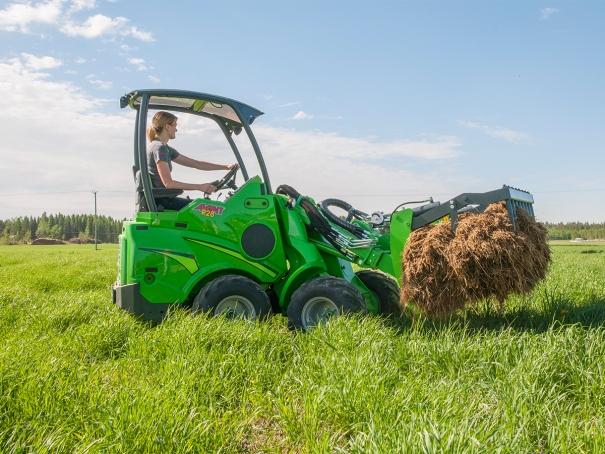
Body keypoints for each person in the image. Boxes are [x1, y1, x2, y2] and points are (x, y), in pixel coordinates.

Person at [146, 111, 237, 210]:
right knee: (210, 209)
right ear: (167, 126)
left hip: (166, 199)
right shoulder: (159, 148)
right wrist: (199, 187)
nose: (176, 129)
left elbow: (197, 164)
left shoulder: (166, 149)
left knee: (209, 208)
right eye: (175, 125)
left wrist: (226, 167)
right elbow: (168, 183)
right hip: (164, 201)